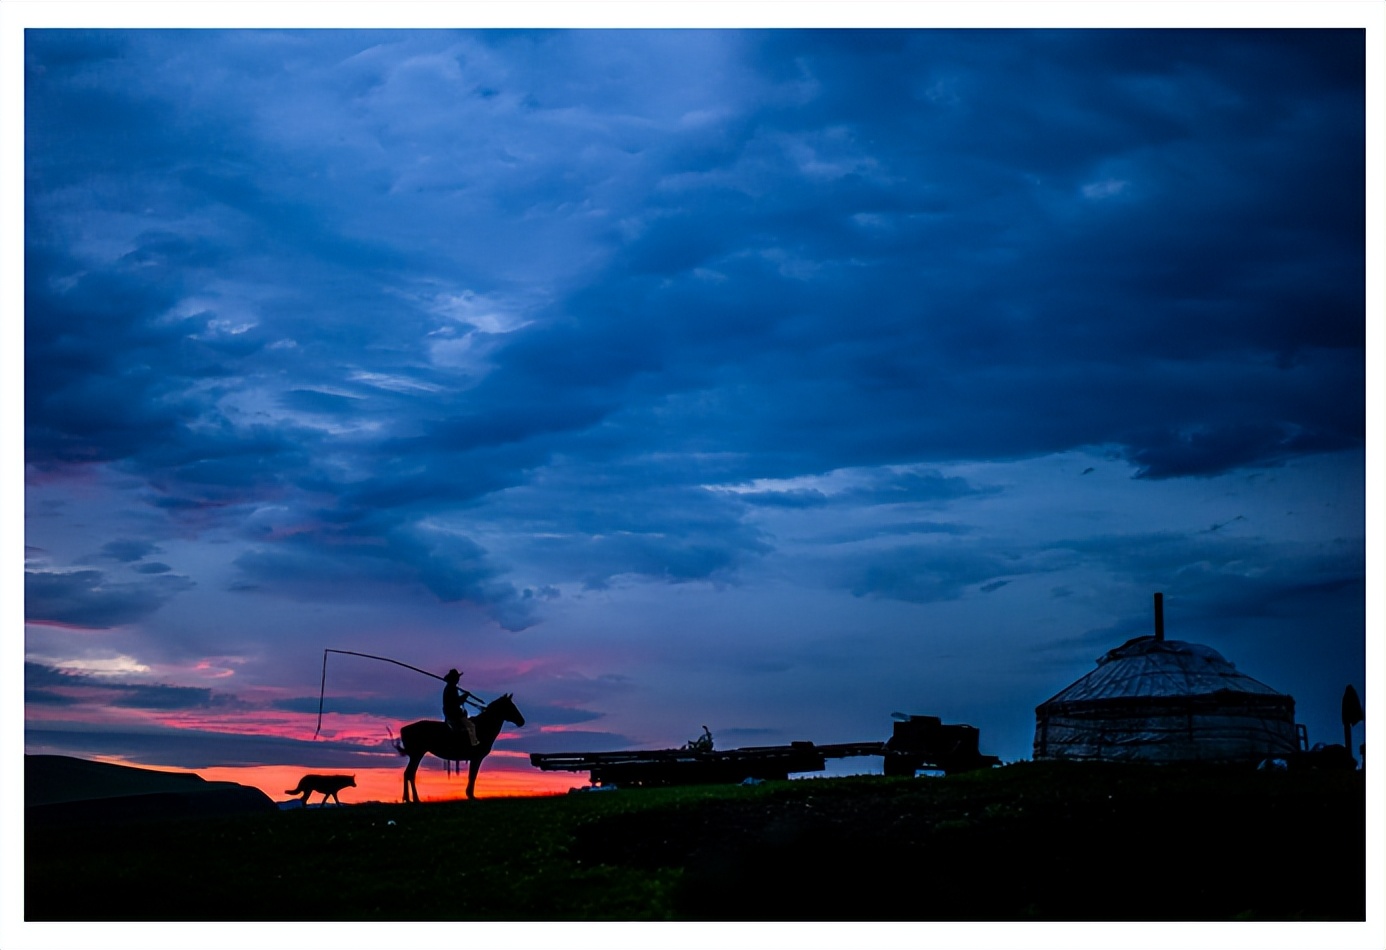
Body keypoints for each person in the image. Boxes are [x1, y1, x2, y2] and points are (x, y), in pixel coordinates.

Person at [442, 669, 477, 746]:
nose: (458, 680)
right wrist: (465, 696)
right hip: (453, 713)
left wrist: (464, 696)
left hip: (450, 712)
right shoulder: (451, 688)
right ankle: (472, 744)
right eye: (456, 678)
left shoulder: (450, 688)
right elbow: (456, 702)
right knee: (470, 726)